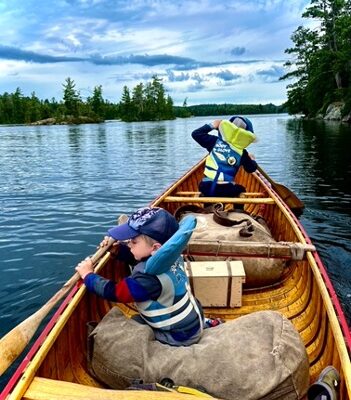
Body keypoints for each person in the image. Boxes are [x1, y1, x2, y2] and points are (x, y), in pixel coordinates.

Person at [76, 206, 207, 347]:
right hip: (191, 322)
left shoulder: (148, 280)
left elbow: (115, 292)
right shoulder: (171, 256)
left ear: (156, 248)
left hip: (178, 335)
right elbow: (140, 259)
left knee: (130, 328)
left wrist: (88, 275)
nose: (128, 243)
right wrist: (117, 250)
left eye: (133, 241)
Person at [192, 115, 257, 201]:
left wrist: (212, 125)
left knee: (205, 188)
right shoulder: (242, 153)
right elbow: (251, 169)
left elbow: (196, 134)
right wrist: (251, 160)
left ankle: (207, 208)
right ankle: (238, 211)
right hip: (227, 190)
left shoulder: (213, 142)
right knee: (241, 189)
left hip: (206, 187)